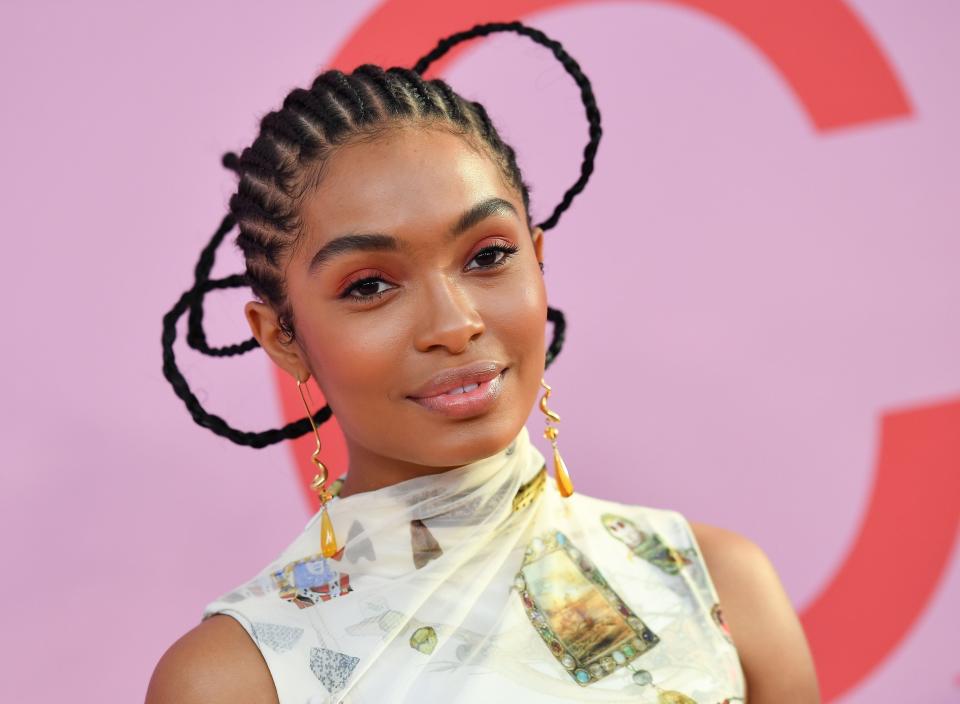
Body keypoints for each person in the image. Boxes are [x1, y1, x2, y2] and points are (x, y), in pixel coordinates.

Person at [148, 21, 819, 704]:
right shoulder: (237, 680)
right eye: (370, 286)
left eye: (488, 256)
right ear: (281, 336)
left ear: (537, 256)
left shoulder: (716, 585)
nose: (454, 323)